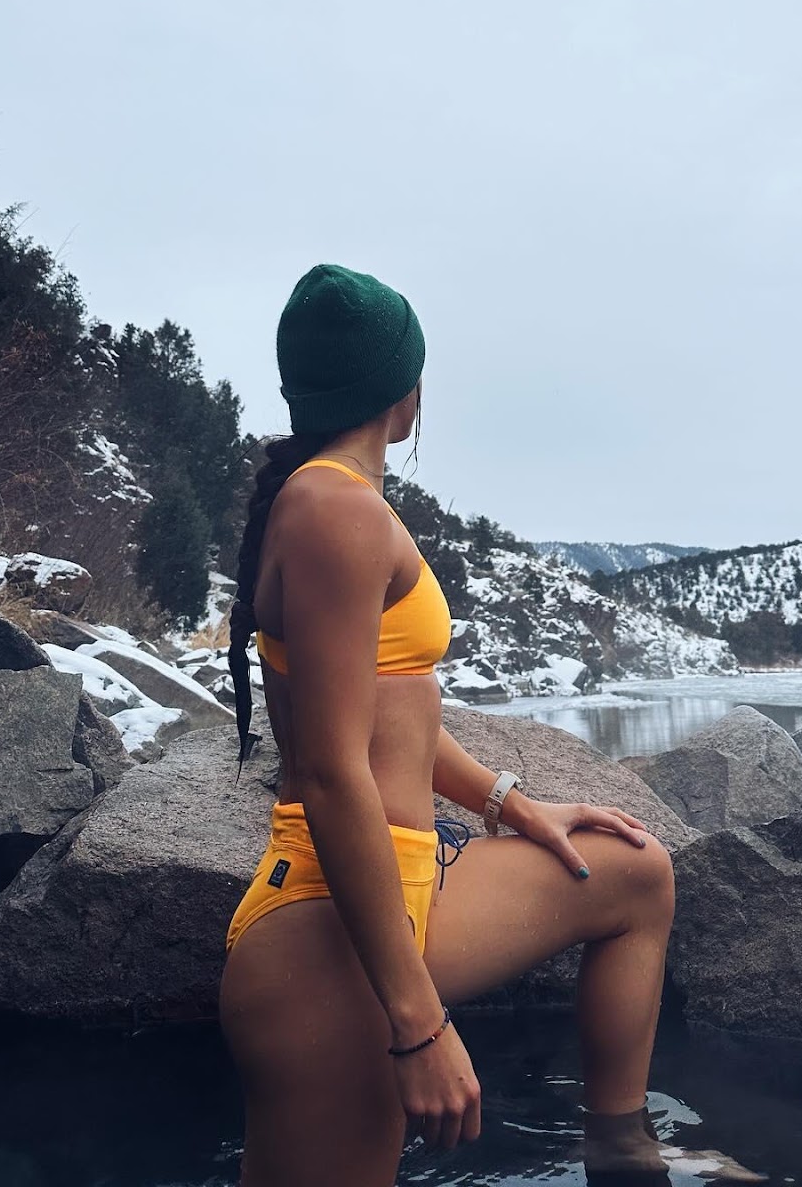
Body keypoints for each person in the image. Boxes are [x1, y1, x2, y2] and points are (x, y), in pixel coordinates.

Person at [219, 263, 764, 1186]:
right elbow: (330, 770)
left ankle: (621, 1148)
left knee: (633, 875)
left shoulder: (331, 504)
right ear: (406, 390)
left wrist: (513, 802)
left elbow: (391, 717)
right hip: (336, 934)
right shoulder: (335, 511)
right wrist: (420, 1023)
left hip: (395, 892)